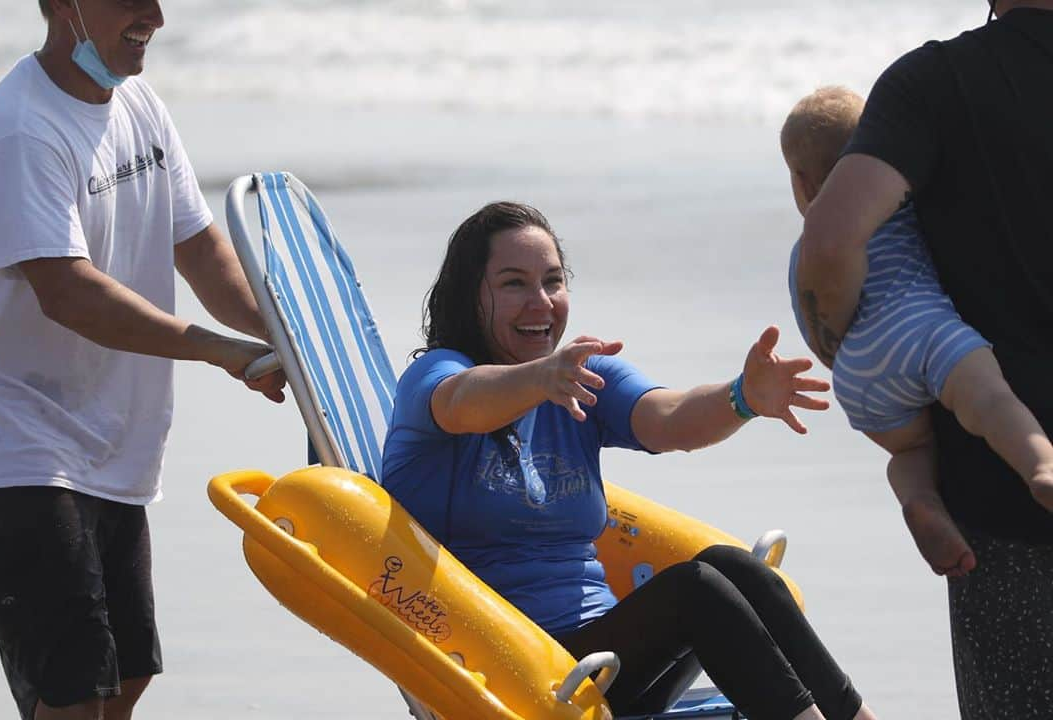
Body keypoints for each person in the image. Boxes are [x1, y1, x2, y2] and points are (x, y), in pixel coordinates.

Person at [382, 202, 877, 720]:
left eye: (552, 281)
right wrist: (541, 378)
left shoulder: (579, 374)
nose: (541, 303)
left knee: (731, 566)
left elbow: (668, 418)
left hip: (604, 665)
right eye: (513, 284)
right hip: (511, 669)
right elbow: (463, 403)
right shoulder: (438, 376)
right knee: (696, 591)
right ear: (470, 295)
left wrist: (742, 397)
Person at [0, 1, 286, 719]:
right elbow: (69, 293)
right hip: (18, 448)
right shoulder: (20, 130)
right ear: (59, 5)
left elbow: (203, 248)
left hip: (115, 446)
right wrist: (223, 353)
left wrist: (293, 342)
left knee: (126, 681)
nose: (155, 17)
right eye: (129, 1)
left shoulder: (138, 103)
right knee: (74, 697)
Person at [795, 3, 1053, 718]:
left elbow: (828, 242)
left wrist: (842, 343)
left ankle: (925, 493)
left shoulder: (934, 84)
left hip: (1000, 509)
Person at [780, 86, 1053, 578]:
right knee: (990, 401)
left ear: (801, 185)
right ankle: (1040, 465)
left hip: (859, 374)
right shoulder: (900, 201)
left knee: (912, 451)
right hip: (923, 328)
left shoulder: (806, 253)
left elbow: (816, 328)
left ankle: (921, 500)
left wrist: (858, 360)